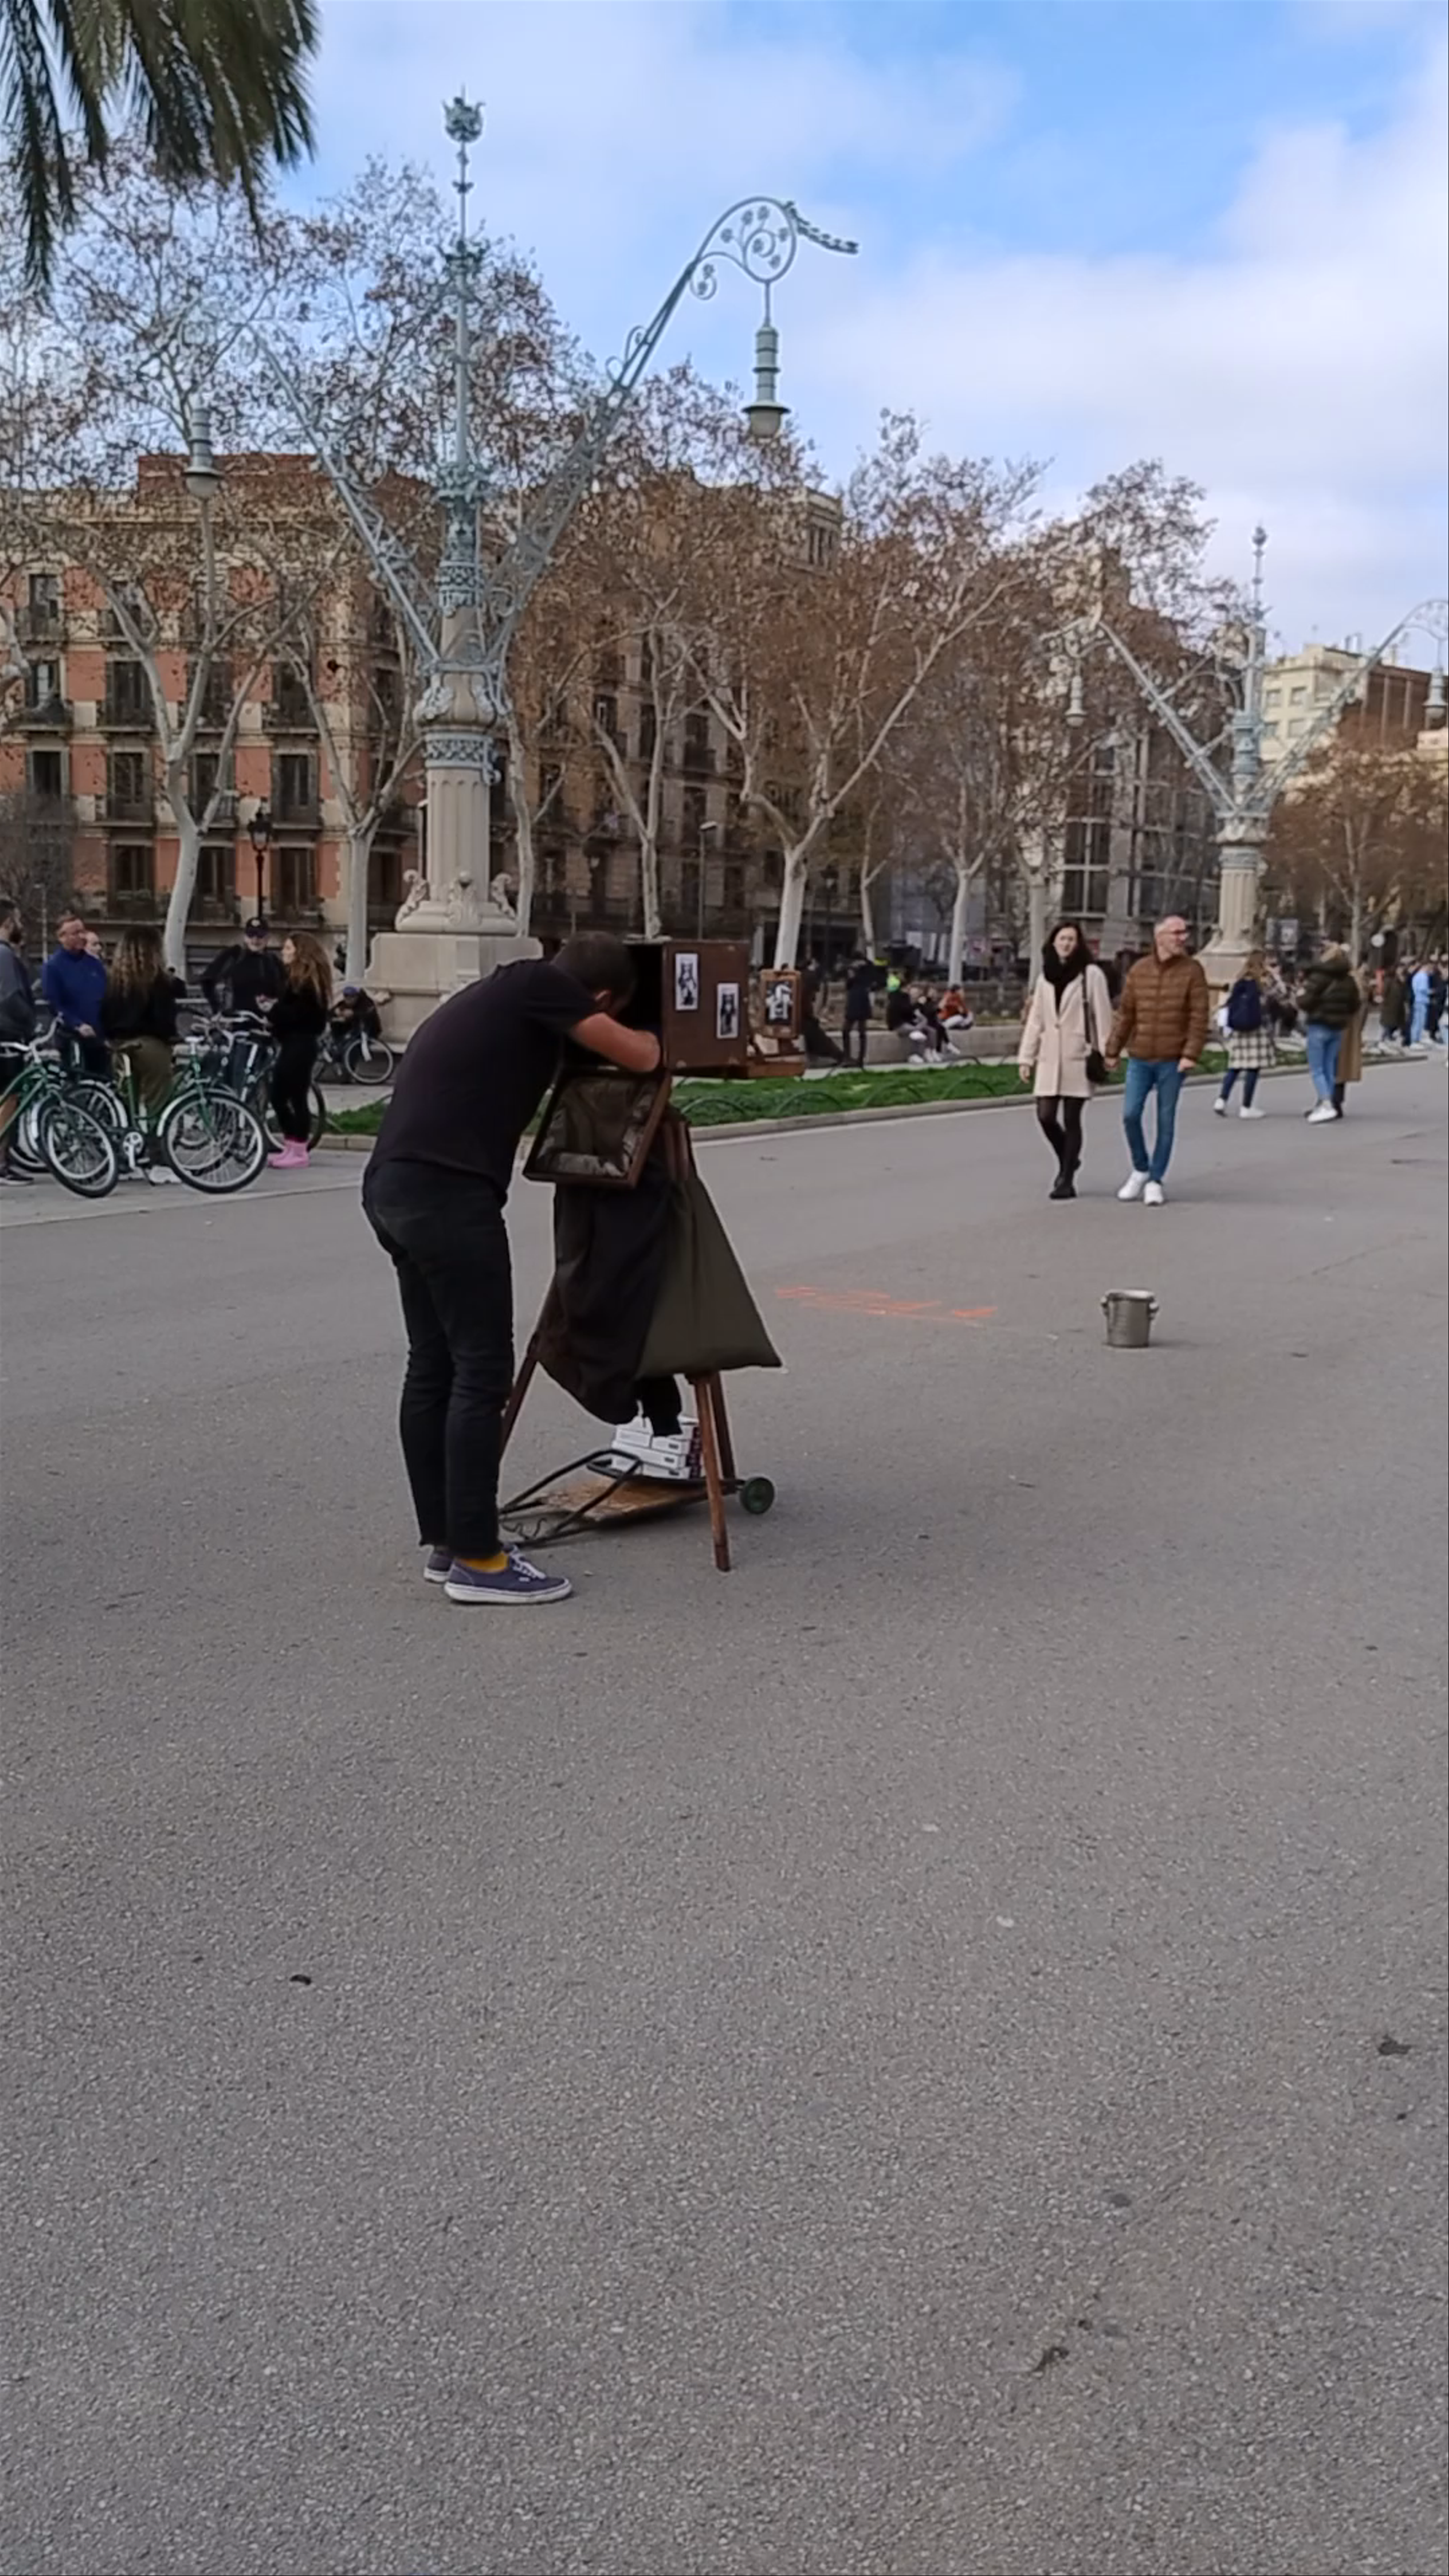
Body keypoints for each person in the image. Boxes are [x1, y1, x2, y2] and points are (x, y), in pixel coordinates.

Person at [362, 934, 664, 1608]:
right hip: (448, 1196)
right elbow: (641, 1054)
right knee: (480, 1370)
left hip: (393, 1186)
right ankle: (480, 1558)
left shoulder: (503, 992)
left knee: (434, 1365)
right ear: (603, 1000)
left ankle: (449, 1538)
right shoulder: (545, 987)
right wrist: (673, 1034)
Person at [1105, 914, 1209, 1206]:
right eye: (1176, 932)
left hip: (1172, 1059)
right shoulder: (1139, 970)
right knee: (1130, 1115)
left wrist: (1191, 1054)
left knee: (1166, 1120)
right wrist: (1113, 1050)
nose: (1182, 938)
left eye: (1185, 932)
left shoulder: (1192, 971)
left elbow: (1199, 1016)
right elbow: (1126, 1014)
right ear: (1159, 936)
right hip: (1140, 1056)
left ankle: (1155, 1179)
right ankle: (1140, 1167)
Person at [1018, 919, 1113, 1199]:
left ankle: (1066, 1178)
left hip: (1078, 1055)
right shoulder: (1045, 976)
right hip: (1049, 1056)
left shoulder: (1091, 974)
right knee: (1046, 1116)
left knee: (1072, 1118)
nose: (1067, 944)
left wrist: (1109, 1053)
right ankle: (1068, 1158)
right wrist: (1027, 1057)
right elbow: (1036, 1020)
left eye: (1072, 939)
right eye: (1062, 939)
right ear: (1054, 942)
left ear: (1078, 943)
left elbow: (1102, 1015)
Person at [100, 926, 183, 1118]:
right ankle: (157, 1144)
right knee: (159, 1102)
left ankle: (127, 1141)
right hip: (151, 1046)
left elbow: (105, 1015)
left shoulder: (115, 982)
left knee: (126, 1102)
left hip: (121, 1045)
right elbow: (164, 1019)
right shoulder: (159, 980)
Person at [265, 932, 331, 1169]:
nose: (284, 952)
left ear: (300, 952)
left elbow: (297, 1014)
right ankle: (291, 1145)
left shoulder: (307, 985)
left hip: (301, 1043)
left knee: (291, 1096)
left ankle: (299, 1148)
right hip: (293, 1042)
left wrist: (274, 1013)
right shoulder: (295, 981)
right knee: (283, 1095)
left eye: (288, 948)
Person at [1298, 943, 1361, 1122]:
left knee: (1317, 1069)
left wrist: (1300, 997)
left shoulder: (1318, 977)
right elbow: (1355, 1005)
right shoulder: (1349, 980)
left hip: (1319, 1025)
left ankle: (1326, 1104)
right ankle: (1330, 1103)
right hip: (1338, 1028)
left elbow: (1305, 1001)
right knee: (1330, 1069)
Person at [0, 896, 38, 1187]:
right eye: (17, 920)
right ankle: (2, 1162)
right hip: (8, 1036)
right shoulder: (4, 956)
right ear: (7, 923)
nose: (20, 925)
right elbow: (12, 997)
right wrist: (30, 1023)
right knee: (9, 1099)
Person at [40, 912, 108, 1074]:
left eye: (83, 932)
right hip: (72, 1038)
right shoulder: (53, 967)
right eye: (75, 933)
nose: (81, 937)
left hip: (99, 1036)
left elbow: (107, 994)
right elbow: (54, 1003)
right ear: (62, 937)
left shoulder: (95, 965)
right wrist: (77, 1024)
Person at [1214, 950, 1276, 1118]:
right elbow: (1277, 996)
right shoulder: (1264, 981)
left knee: (1235, 1066)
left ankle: (1222, 1099)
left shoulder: (1239, 980)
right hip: (1257, 1029)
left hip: (1239, 1029)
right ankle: (1246, 1107)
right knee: (1253, 1068)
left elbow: (1230, 1002)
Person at [201, 918, 285, 1021]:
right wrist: (217, 1009)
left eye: (260, 936)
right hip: (233, 1020)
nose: (255, 940)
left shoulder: (273, 961)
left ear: (267, 938)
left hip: (264, 1022)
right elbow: (207, 979)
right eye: (251, 935)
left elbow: (283, 991)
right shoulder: (233, 955)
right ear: (245, 937)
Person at [1331, 962, 1372, 1116]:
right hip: (1349, 1027)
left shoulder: (1343, 982)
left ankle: (1331, 1102)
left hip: (1338, 1026)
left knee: (1333, 1064)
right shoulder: (1355, 982)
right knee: (1341, 1066)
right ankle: (1336, 1101)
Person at [843, 955, 874, 1067]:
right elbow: (848, 985)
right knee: (847, 1030)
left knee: (861, 1031)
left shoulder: (866, 971)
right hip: (855, 1001)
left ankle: (860, 1059)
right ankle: (848, 1057)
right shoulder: (852, 974)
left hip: (860, 1001)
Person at [1377, 961, 1406, 1049]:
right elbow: (1385, 992)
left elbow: (1403, 991)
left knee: (1396, 1024)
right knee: (1388, 1024)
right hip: (1390, 1006)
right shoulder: (1389, 980)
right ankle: (1383, 1040)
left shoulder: (1400, 980)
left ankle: (1389, 1039)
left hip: (1398, 1006)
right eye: (1400, 969)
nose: (1402, 971)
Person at [1408, 958, 1433, 1047]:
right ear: (1425, 967)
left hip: (1417, 1000)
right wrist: (1431, 992)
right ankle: (1416, 1040)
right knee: (1420, 1022)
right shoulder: (1424, 977)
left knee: (1417, 1021)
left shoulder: (1416, 976)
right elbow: (1423, 989)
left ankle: (1416, 1039)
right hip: (1422, 1001)